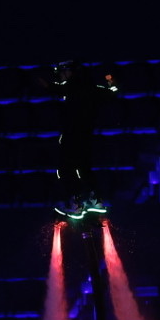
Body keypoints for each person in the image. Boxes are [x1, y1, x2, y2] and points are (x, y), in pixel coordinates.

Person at [49, 61, 118, 218]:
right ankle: (95, 201)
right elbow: (112, 92)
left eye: (62, 72)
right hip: (86, 136)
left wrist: (38, 80)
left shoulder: (72, 87)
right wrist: (109, 79)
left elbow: (52, 88)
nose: (60, 76)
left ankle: (75, 204)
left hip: (72, 135)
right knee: (84, 168)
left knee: (65, 169)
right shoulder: (93, 88)